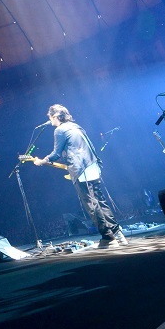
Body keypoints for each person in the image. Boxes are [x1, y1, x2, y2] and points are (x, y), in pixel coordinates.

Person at [32, 104, 127, 247]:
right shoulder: (75, 126)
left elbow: (56, 154)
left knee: (91, 204)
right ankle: (118, 235)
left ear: (56, 116)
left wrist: (41, 161)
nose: (50, 120)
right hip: (93, 165)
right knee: (100, 201)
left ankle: (108, 238)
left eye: (50, 116)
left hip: (81, 169)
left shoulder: (59, 130)